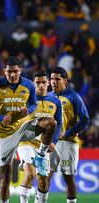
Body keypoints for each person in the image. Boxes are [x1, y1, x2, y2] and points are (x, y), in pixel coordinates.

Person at [0, 56, 57, 203]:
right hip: (5, 134)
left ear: (20, 70)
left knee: (50, 123)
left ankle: (41, 155)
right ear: (4, 71)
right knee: (6, 174)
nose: (13, 75)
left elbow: (34, 104)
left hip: (23, 127)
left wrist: (28, 110)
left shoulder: (28, 85)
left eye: (16, 71)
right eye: (9, 72)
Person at [17, 70, 62, 203]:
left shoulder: (55, 101)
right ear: (33, 84)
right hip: (26, 142)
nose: (41, 85)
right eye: (38, 83)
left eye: (43, 82)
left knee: (43, 181)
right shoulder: (27, 100)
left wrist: (53, 141)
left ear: (48, 83)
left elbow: (59, 122)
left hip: (43, 145)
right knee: (30, 174)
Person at [49, 67, 90, 203]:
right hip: (50, 143)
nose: (53, 82)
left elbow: (85, 119)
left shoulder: (73, 97)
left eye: (57, 79)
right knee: (44, 175)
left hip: (68, 142)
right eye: (52, 79)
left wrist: (69, 133)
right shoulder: (48, 97)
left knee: (68, 177)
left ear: (65, 81)